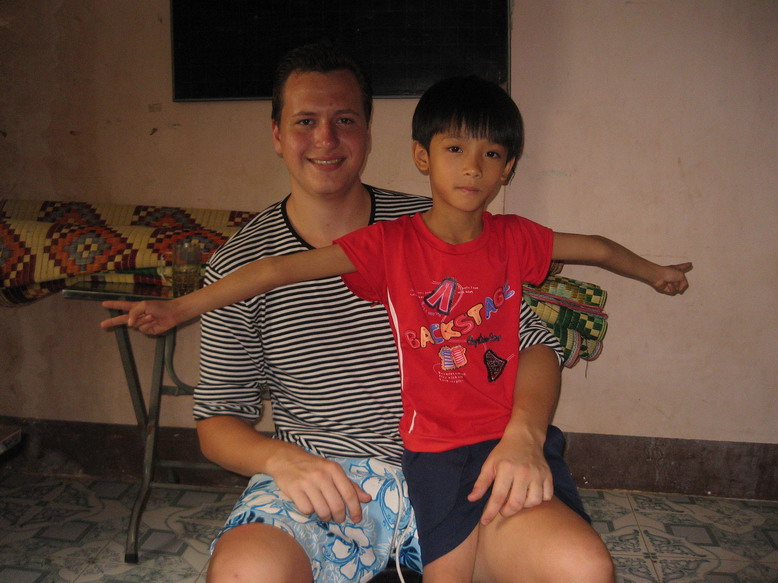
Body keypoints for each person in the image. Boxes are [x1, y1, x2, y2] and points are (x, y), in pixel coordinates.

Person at [102, 48, 691, 583]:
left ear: (369, 133)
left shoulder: (442, 223)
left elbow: (532, 344)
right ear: (277, 134)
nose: (326, 139)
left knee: (581, 569)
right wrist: (285, 460)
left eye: (346, 120)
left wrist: (525, 434)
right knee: (246, 574)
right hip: (329, 484)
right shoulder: (241, 264)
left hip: (469, 468)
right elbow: (217, 420)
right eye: (306, 121)